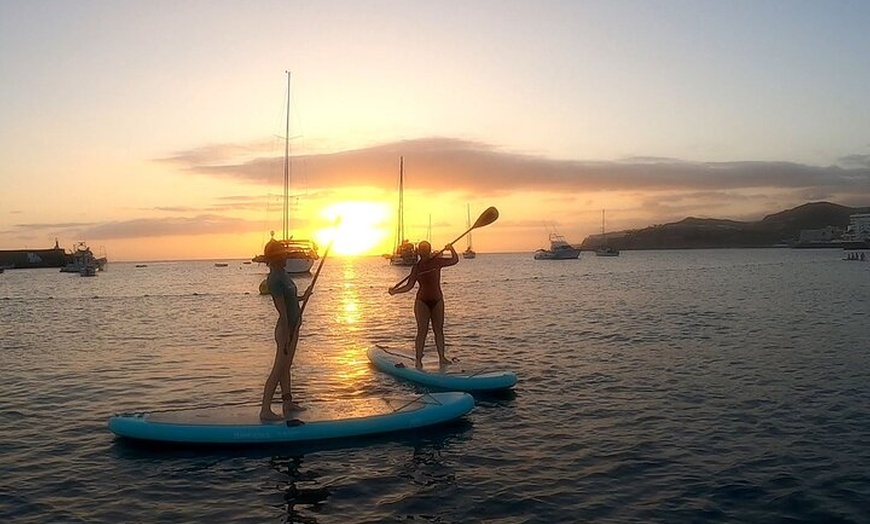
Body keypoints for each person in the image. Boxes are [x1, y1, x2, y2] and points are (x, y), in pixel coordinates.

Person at [259, 239, 312, 421]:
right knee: (278, 369)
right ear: (274, 259)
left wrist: (302, 297)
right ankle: (265, 410)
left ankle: (287, 403)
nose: (285, 257)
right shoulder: (274, 279)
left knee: (286, 367)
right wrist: (289, 331)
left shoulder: (284, 274)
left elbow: (290, 300)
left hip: (293, 327)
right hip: (285, 329)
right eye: (281, 255)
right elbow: (282, 310)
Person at [388, 240, 459, 369]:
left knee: (439, 330)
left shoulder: (437, 261)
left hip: (437, 300)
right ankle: (418, 359)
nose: (424, 251)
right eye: (421, 249)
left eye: (426, 248)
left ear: (429, 250)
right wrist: (395, 291)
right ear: (419, 251)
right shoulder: (417, 267)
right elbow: (409, 286)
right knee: (422, 331)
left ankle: (442, 358)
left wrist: (451, 249)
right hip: (422, 302)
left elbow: (454, 260)